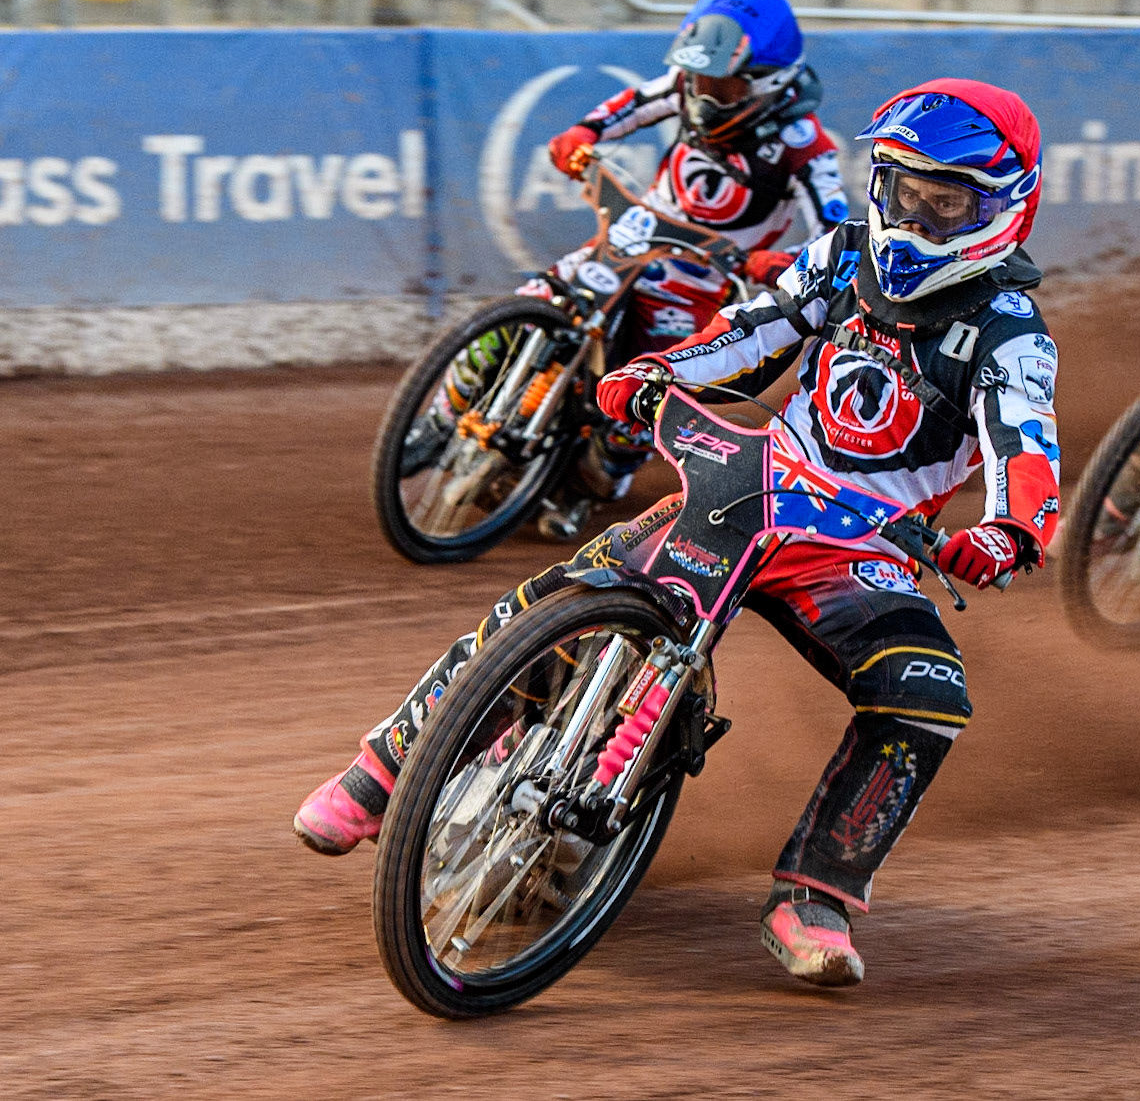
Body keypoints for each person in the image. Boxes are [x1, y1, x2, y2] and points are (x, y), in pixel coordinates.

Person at [294, 79, 1060, 989]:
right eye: (901, 190)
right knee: (557, 597)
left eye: (946, 202)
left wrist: (1009, 530)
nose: (915, 215)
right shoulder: (841, 257)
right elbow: (752, 333)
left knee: (926, 696)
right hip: (754, 482)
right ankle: (385, 768)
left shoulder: (1011, 335)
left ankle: (815, 895)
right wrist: (659, 369)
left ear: (1004, 208)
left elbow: (1026, 445)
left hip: (865, 544)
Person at [403, 0, 851, 541]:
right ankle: (440, 420)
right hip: (635, 236)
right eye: (698, 78)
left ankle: (595, 484)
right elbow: (630, 105)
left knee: (644, 392)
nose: (705, 95)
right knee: (525, 307)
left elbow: (837, 239)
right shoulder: (686, 85)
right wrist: (583, 132)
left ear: (769, 83)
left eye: (724, 86)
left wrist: (779, 264)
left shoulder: (807, 147)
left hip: (701, 280)